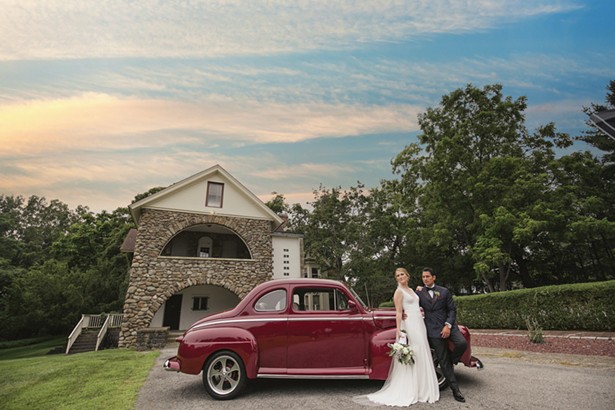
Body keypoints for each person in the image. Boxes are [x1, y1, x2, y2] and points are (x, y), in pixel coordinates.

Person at [355, 268, 439, 406]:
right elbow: (399, 312)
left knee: (423, 352)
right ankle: (414, 389)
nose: (400, 277)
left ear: (408, 275)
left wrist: (421, 289)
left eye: (402, 274)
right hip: (410, 324)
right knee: (416, 353)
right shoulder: (399, 292)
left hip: (419, 323)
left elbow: (419, 299)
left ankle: (423, 387)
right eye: (397, 276)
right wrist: (399, 330)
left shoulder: (413, 290)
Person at [416, 267, 467, 403]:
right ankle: (456, 390)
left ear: (434, 277)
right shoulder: (420, 293)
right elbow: (411, 305)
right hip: (432, 329)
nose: (425, 279)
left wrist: (448, 325)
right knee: (443, 361)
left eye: (427, 276)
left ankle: (452, 359)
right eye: (423, 277)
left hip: (449, 326)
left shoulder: (444, 291)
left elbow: (452, 310)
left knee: (462, 343)